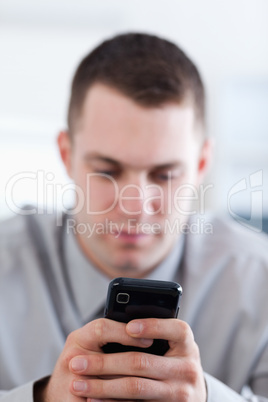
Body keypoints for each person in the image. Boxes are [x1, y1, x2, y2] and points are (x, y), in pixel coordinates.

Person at [0, 32, 268, 402]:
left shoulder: (260, 279)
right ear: (66, 155)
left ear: (202, 164)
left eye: (164, 175)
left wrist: (209, 398)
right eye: (107, 171)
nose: (135, 206)